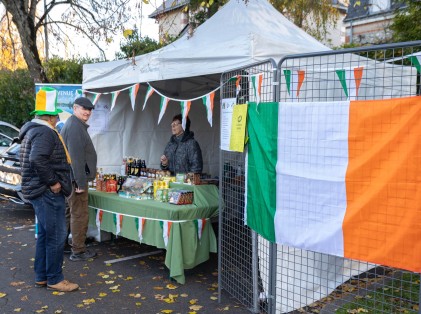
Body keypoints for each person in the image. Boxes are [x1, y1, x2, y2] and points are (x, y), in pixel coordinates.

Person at [19, 87, 79, 292]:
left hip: (39, 190)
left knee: (46, 234)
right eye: (55, 116)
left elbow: (36, 158)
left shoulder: (34, 130)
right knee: (56, 235)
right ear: (51, 117)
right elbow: (37, 159)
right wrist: (54, 182)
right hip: (46, 191)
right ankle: (54, 278)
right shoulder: (45, 132)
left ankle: (42, 276)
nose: (56, 119)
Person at [60, 97, 97, 262]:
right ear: (75, 108)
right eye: (84, 108)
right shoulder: (75, 126)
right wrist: (80, 182)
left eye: (90, 109)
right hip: (75, 180)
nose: (88, 112)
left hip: (70, 179)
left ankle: (66, 246)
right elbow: (76, 157)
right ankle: (79, 250)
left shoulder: (74, 124)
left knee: (70, 213)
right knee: (79, 214)